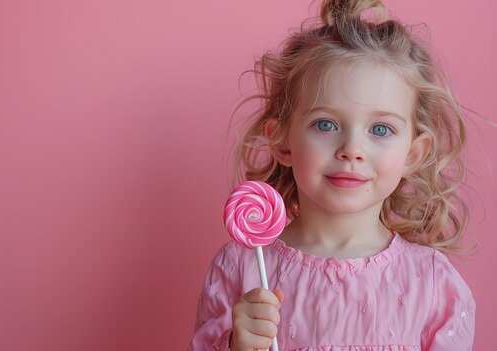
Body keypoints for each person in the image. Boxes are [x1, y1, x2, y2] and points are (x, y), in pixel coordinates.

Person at [188, 0, 476, 349]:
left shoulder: (432, 284)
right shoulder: (242, 268)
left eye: (381, 129)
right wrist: (238, 346)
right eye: (325, 124)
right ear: (283, 143)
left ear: (413, 154)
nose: (352, 149)